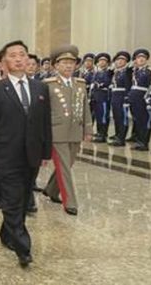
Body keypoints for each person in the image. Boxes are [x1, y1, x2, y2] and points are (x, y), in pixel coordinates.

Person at [0, 40, 52, 268]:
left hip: (32, 154)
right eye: (13, 55)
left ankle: (7, 233)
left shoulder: (40, 88)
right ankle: (23, 248)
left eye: (22, 54)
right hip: (5, 154)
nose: (19, 59)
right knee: (12, 200)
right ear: (4, 62)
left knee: (22, 199)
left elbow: (45, 122)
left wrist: (46, 151)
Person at [41, 46, 91, 216]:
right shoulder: (48, 85)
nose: (69, 66)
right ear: (56, 66)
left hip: (76, 130)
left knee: (68, 164)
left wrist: (88, 128)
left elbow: (85, 108)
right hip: (57, 132)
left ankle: (51, 189)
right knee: (64, 168)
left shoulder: (80, 84)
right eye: (64, 63)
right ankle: (70, 202)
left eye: (72, 63)